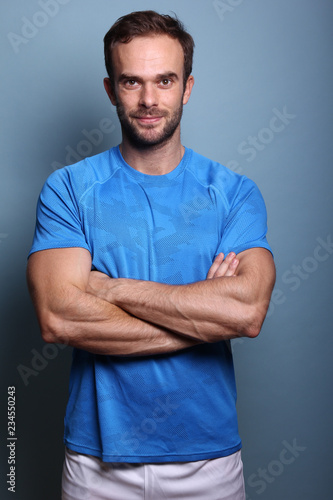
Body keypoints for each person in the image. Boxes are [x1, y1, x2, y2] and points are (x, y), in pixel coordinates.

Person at [27, 10, 275, 500]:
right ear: (109, 88)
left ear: (187, 87)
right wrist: (203, 314)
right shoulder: (70, 189)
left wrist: (108, 289)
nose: (148, 100)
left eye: (164, 81)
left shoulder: (234, 194)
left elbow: (246, 312)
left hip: (210, 462)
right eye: (131, 82)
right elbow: (59, 318)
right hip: (97, 466)